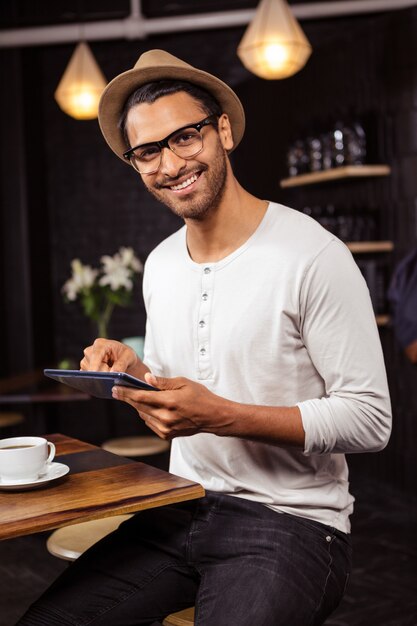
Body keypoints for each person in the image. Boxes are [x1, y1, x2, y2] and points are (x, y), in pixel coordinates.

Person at [18, 49, 392, 626]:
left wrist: (218, 415)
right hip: (179, 507)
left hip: (292, 525)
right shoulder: (161, 263)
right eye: (147, 151)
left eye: (185, 137)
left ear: (222, 131)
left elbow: (369, 420)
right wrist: (133, 377)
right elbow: (179, 394)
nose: (170, 164)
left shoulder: (314, 254)